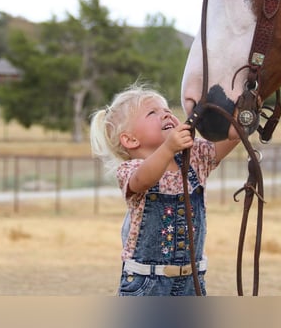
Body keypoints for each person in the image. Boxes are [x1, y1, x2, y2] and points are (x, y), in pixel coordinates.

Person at [90, 82, 240, 296]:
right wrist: (169, 147)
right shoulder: (129, 170)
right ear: (130, 140)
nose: (166, 114)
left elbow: (231, 137)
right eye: (153, 112)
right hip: (147, 283)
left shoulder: (193, 159)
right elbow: (143, 180)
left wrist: (245, 115)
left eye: (168, 110)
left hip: (193, 280)